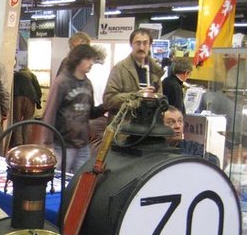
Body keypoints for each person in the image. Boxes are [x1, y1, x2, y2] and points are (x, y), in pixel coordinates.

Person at [39, 44, 104, 174]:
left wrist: (106, 106)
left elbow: (90, 112)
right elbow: (50, 113)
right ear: (78, 59)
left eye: (92, 59)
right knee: (60, 179)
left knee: (79, 180)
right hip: (63, 144)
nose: (91, 63)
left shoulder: (87, 83)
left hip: (83, 144)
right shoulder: (62, 82)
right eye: (88, 59)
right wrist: (47, 143)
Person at [98, 28, 165, 149]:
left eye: (145, 43)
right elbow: (108, 100)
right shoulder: (120, 69)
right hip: (123, 134)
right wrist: (136, 96)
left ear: (150, 45)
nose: (141, 47)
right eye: (137, 43)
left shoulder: (155, 71)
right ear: (131, 45)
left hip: (149, 134)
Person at [10, 64, 42, 147]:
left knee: (16, 121)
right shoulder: (32, 75)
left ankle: (18, 143)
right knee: (28, 121)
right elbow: (38, 90)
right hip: (30, 98)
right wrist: (38, 101)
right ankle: (26, 143)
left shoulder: (15, 75)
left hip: (17, 98)